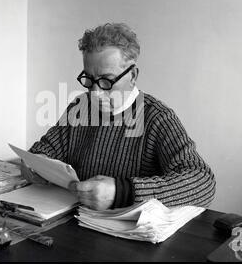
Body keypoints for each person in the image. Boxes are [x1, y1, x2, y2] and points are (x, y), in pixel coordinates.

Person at [22, 23, 216, 211]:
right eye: (89, 79)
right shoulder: (80, 108)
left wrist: (122, 192)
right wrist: (34, 164)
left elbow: (202, 182)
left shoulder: (157, 118)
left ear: (132, 76)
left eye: (106, 81)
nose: (95, 93)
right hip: (76, 223)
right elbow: (44, 150)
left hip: (128, 236)